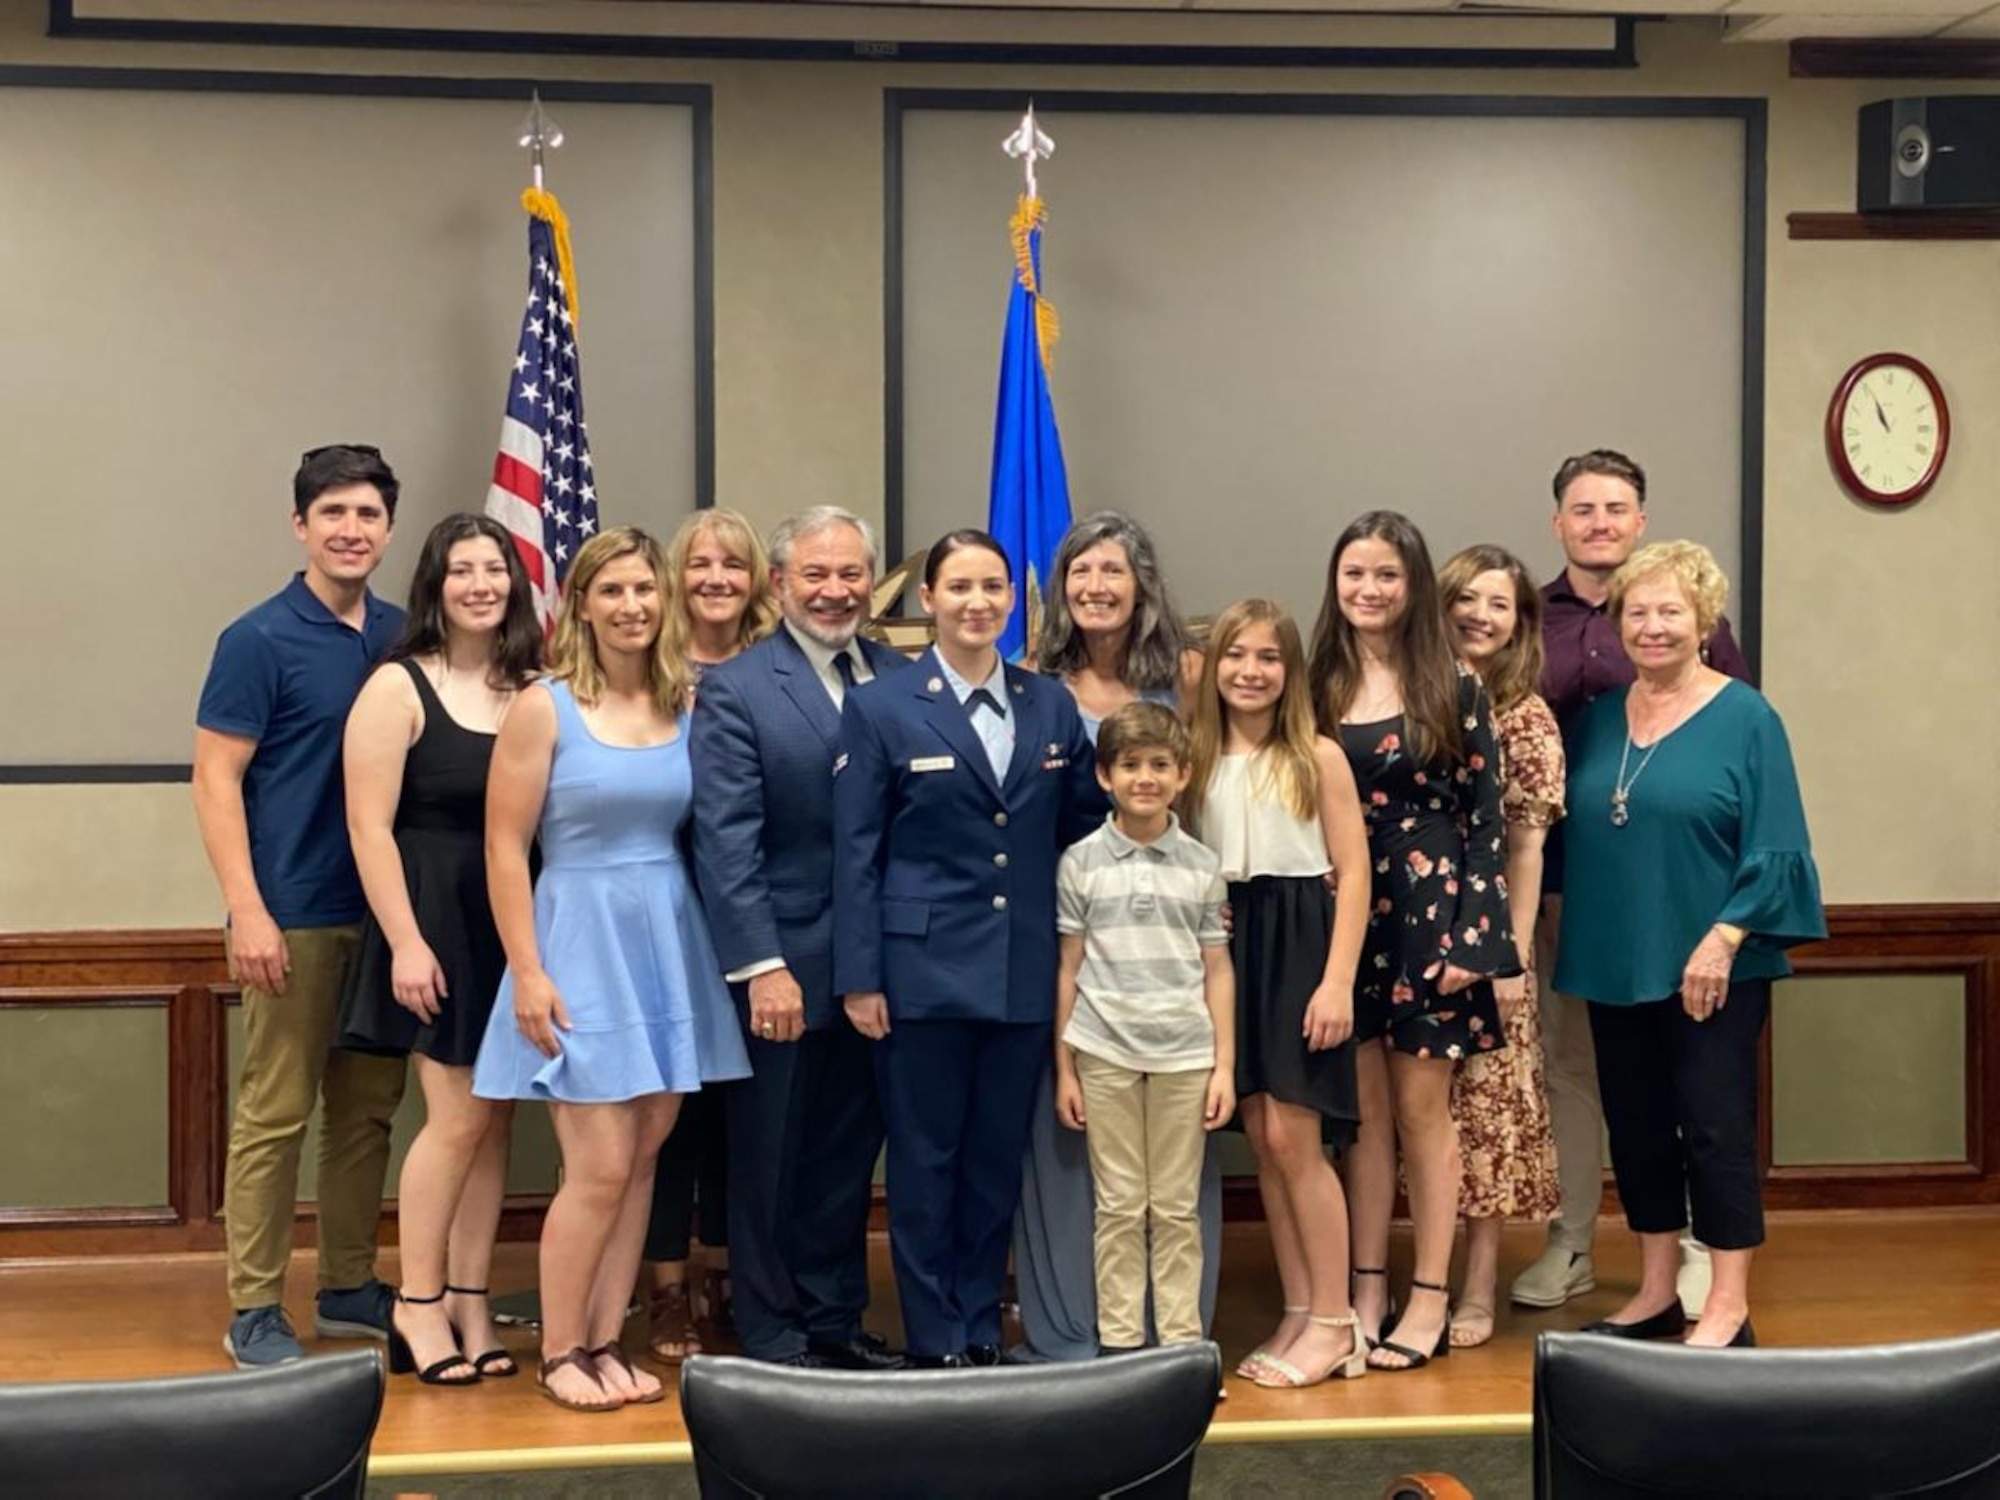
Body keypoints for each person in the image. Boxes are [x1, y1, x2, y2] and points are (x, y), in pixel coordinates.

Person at [472, 526, 751, 1412]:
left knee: (639, 1165)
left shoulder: (686, 702)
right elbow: (505, 847)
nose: (632, 606)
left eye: (645, 590)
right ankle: (559, 1352)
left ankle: (603, 1339)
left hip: (669, 940)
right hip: (576, 941)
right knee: (595, 1166)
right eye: (614, 591)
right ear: (581, 605)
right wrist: (528, 970)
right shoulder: (544, 706)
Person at [832, 529, 1099, 1367]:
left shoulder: (1049, 703)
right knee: (923, 1162)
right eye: (960, 588)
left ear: (1013, 601)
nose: (977, 602)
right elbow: (856, 851)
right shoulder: (881, 705)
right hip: (918, 977)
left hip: (1021, 971)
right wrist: (860, 978)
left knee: (992, 1164)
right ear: (929, 601)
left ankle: (981, 1320)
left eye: (993, 587)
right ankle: (935, 1333)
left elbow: (1085, 828)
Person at [1556, 541, 1822, 1349]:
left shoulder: (1747, 715)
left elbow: (1779, 843)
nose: (1653, 626)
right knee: (1635, 1126)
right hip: (1612, 956)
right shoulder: (1598, 720)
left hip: (1713, 961)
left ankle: (1729, 1304)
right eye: (1637, 611)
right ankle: (1656, 1291)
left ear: (1703, 620)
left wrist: (1724, 938)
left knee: (1713, 1127)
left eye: (1670, 610)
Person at [1516, 449, 1755, 1317]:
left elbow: (1735, 753)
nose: (1601, 523)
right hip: (1566, 893)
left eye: (1617, 508)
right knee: (1584, 1073)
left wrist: (1724, 923)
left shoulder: (1696, 623)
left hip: (1680, 896)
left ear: (1641, 519)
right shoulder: (1528, 621)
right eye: (1583, 509)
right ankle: (1574, 1240)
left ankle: (1699, 1253)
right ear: (1559, 524)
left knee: (1696, 1087)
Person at [193, 443, 411, 1369]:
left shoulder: (404, 635)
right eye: (333, 514)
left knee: (366, 1113)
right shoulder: (257, 639)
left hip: (387, 919)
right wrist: (246, 908)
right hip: (292, 911)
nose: (350, 530)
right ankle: (253, 1307)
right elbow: (214, 779)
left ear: (387, 529)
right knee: (274, 1113)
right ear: (300, 526)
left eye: (366, 515)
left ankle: (349, 1286)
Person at [691, 505, 909, 1371]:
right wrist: (763, 968)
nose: (835, 590)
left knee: (848, 1159)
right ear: (779, 584)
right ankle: (772, 1332)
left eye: (851, 573)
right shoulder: (739, 688)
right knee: (771, 1160)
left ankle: (834, 1321)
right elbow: (727, 840)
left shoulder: (899, 676)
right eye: (815, 575)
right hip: (785, 970)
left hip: (882, 971)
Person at [335, 513, 542, 1384]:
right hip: (431, 924)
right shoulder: (396, 686)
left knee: (492, 1121)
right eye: (462, 571)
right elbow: (368, 828)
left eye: (494, 569)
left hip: (512, 920)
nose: (480, 585)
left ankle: (469, 1296)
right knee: (454, 1118)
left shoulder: (534, 686)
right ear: (435, 585)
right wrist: (406, 944)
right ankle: (416, 1306)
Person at [1015, 510, 1223, 1363]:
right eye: (1080, 573)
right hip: (1067, 924)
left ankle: (1174, 1338)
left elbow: (1226, 773)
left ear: (1142, 585)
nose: (1097, 588)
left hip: (1179, 925)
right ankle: (1077, 1325)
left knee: (1168, 1186)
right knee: (1075, 1153)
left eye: (1114, 572)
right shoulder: (1031, 677)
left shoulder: (1188, 671)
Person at [1309, 511, 1514, 1373]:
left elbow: (1486, 819)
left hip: (1434, 918)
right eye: (1355, 573)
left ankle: (1429, 1292)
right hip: (1343, 921)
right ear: (1336, 582)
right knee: (1362, 1120)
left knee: (1427, 1114)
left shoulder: (1453, 683)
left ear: (1414, 583)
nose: (1370, 589)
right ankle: (1364, 1287)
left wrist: (1479, 936)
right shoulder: (1312, 685)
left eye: (1387, 574)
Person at [1185, 599, 1373, 1390]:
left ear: (1289, 672)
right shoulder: (1192, 755)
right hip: (1231, 946)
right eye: (1236, 656)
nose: (1250, 672)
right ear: (1212, 666)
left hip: (1301, 943)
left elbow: (1355, 870)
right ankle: (1300, 1308)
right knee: (1262, 1136)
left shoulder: (1318, 755)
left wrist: (1336, 981)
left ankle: (1337, 1321)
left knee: (1299, 1138)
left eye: (1268, 658)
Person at [1052, 701, 1234, 1356]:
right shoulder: (1080, 863)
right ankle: (1124, 1350)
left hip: (1185, 1055)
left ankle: (1182, 1350)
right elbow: (1069, 968)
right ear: (1106, 776)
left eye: (1160, 765)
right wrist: (1066, 1067)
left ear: (1183, 775)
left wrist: (1225, 1066)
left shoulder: (1201, 866)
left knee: (1176, 1208)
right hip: (1104, 1051)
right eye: (1131, 766)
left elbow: (1218, 969)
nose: (1145, 779)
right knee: (1121, 1206)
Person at [642, 507, 779, 1364]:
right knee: (670, 1115)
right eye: (700, 565)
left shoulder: (776, 672)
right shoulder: (644, 670)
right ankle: (664, 1289)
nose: (717, 579)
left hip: (758, 919)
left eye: (734, 564)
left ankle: (725, 1275)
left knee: (743, 1111)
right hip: (663, 911)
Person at [1435, 545, 1564, 1350]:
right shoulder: (1410, 698)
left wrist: (1509, 957)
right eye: (1468, 599)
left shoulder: (1524, 717)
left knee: (1481, 1120)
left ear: (1520, 624)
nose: (1481, 615)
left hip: (1486, 946)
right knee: (1407, 1122)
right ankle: (1404, 1283)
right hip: (1397, 939)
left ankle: (1476, 1287)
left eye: (1500, 605)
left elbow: (1526, 849)